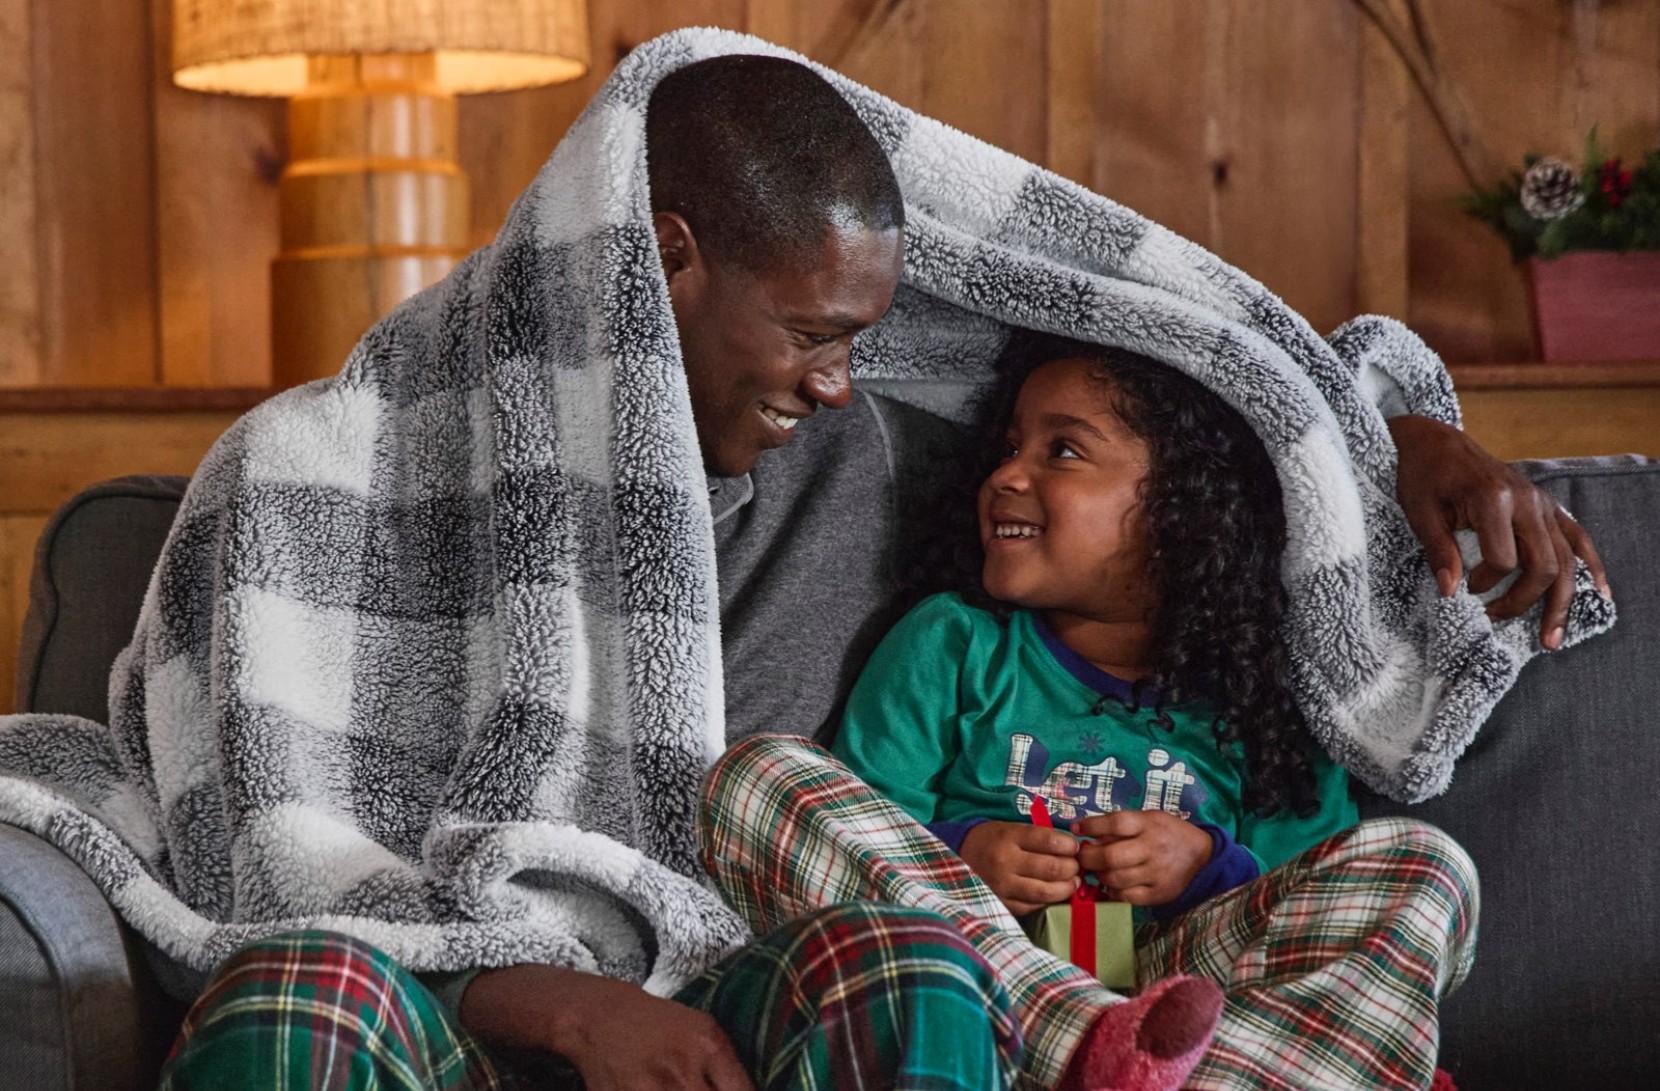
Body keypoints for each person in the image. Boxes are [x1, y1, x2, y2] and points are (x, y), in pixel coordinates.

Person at [0, 40, 1604, 1091]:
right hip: (437, 996)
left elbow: (1176, 384)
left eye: (865, 339)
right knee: (291, 1012)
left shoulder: (878, 452)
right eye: (819, 331)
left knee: (906, 964)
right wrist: (552, 997)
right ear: (666, 260)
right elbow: (257, 857)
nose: (844, 377)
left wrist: (1396, 433)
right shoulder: (306, 473)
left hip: (749, 982)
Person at [810, 335, 1475, 1088]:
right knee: (770, 776)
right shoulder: (952, 641)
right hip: (984, 975)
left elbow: (1304, 902)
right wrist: (960, 855)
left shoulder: (1260, 696)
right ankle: (1092, 1044)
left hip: (1188, 996)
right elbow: (857, 827)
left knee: (1430, 866)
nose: (1005, 475)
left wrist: (1205, 867)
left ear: (1185, 504)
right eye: (1008, 446)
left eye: (1062, 451)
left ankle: (1166, 1060)